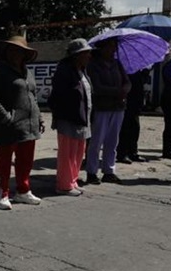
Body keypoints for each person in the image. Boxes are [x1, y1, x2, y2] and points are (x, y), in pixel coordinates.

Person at [0, 34, 43, 209]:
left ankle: (23, 191)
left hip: (29, 124)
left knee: (26, 160)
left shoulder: (28, 72)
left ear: (25, 54)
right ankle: (2, 193)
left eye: (19, 51)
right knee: (5, 160)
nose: (16, 54)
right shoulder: (0, 71)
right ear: (6, 52)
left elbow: (33, 96)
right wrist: (5, 117)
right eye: (12, 50)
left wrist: (39, 117)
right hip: (9, 125)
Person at [48, 39, 93, 196]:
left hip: (82, 118)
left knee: (78, 152)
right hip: (69, 118)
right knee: (67, 153)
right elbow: (58, 97)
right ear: (76, 55)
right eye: (86, 53)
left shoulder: (82, 71)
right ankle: (64, 185)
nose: (89, 56)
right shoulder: (64, 71)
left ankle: (73, 181)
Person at [84, 36, 130, 184]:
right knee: (96, 141)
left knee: (112, 141)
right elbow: (97, 87)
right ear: (102, 47)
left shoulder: (117, 64)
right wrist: (118, 91)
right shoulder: (93, 65)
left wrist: (125, 89)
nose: (113, 50)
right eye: (110, 46)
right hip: (101, 107)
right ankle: (91, 172)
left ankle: (109, 171)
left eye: (114, 47)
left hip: (118, 108)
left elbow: (127, 82)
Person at [117, 68, 148, 163]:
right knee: (125, 128)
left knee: (135, 127)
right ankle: (123, 153)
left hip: (136, 102)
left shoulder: (138, 70)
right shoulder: (124, 69)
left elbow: (141, 83)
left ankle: (133, 151)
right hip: (127, 101)